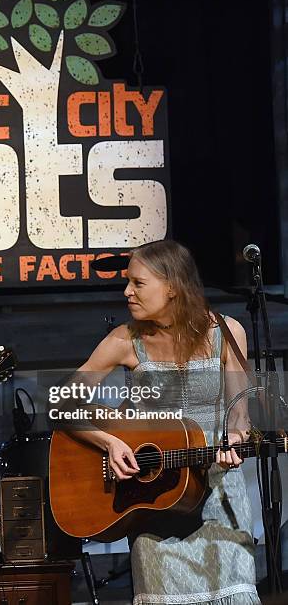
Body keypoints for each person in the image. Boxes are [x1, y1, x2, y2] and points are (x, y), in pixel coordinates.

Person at [74, 239, 259, 604]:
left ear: (172, 287)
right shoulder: (124, 341)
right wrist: (109, 442)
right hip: (154, 500)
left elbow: (240, 414)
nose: (126, 291)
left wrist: (237, 439)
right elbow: (61, 405)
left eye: (138, 283)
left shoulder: (227, 332)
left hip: (221, 496)